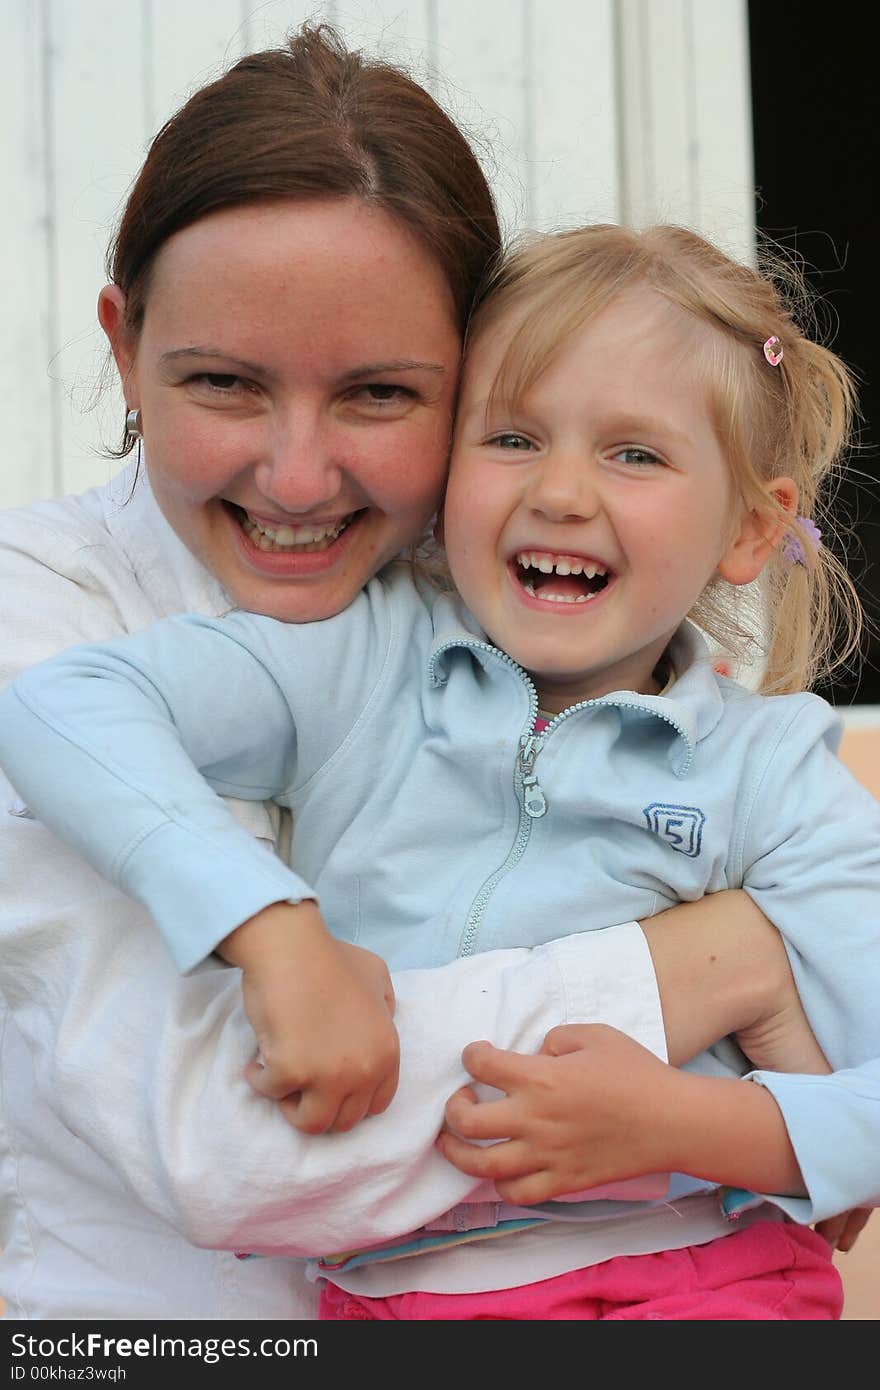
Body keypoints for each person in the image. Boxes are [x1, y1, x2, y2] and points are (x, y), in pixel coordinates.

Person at [0, 24, 803, 1322]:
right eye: (222, 383)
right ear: (123, 342)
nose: (300, 476)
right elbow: (238, 1149)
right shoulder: (37, 609)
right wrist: (717, 967)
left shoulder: (525, 607)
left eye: (379, 393)